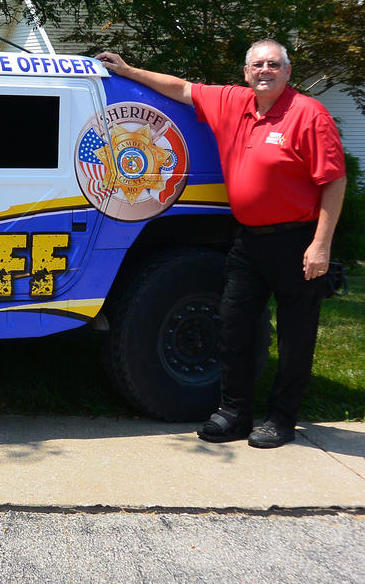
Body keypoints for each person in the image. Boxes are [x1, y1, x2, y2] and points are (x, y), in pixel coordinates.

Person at [96, 41, 346, 449]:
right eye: (257, 65)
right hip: (248, 241)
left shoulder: (308, 115)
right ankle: (234, 414)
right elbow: (181, 88)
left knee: (296, 337)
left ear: (287, 71)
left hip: (296, 241)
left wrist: (320, 245)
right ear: (246, 72)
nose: (265, 71)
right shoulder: (232, 101)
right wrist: (129, 71)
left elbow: (334, 180)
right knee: (233, 328)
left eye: (273, 64)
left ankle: (281, 420)